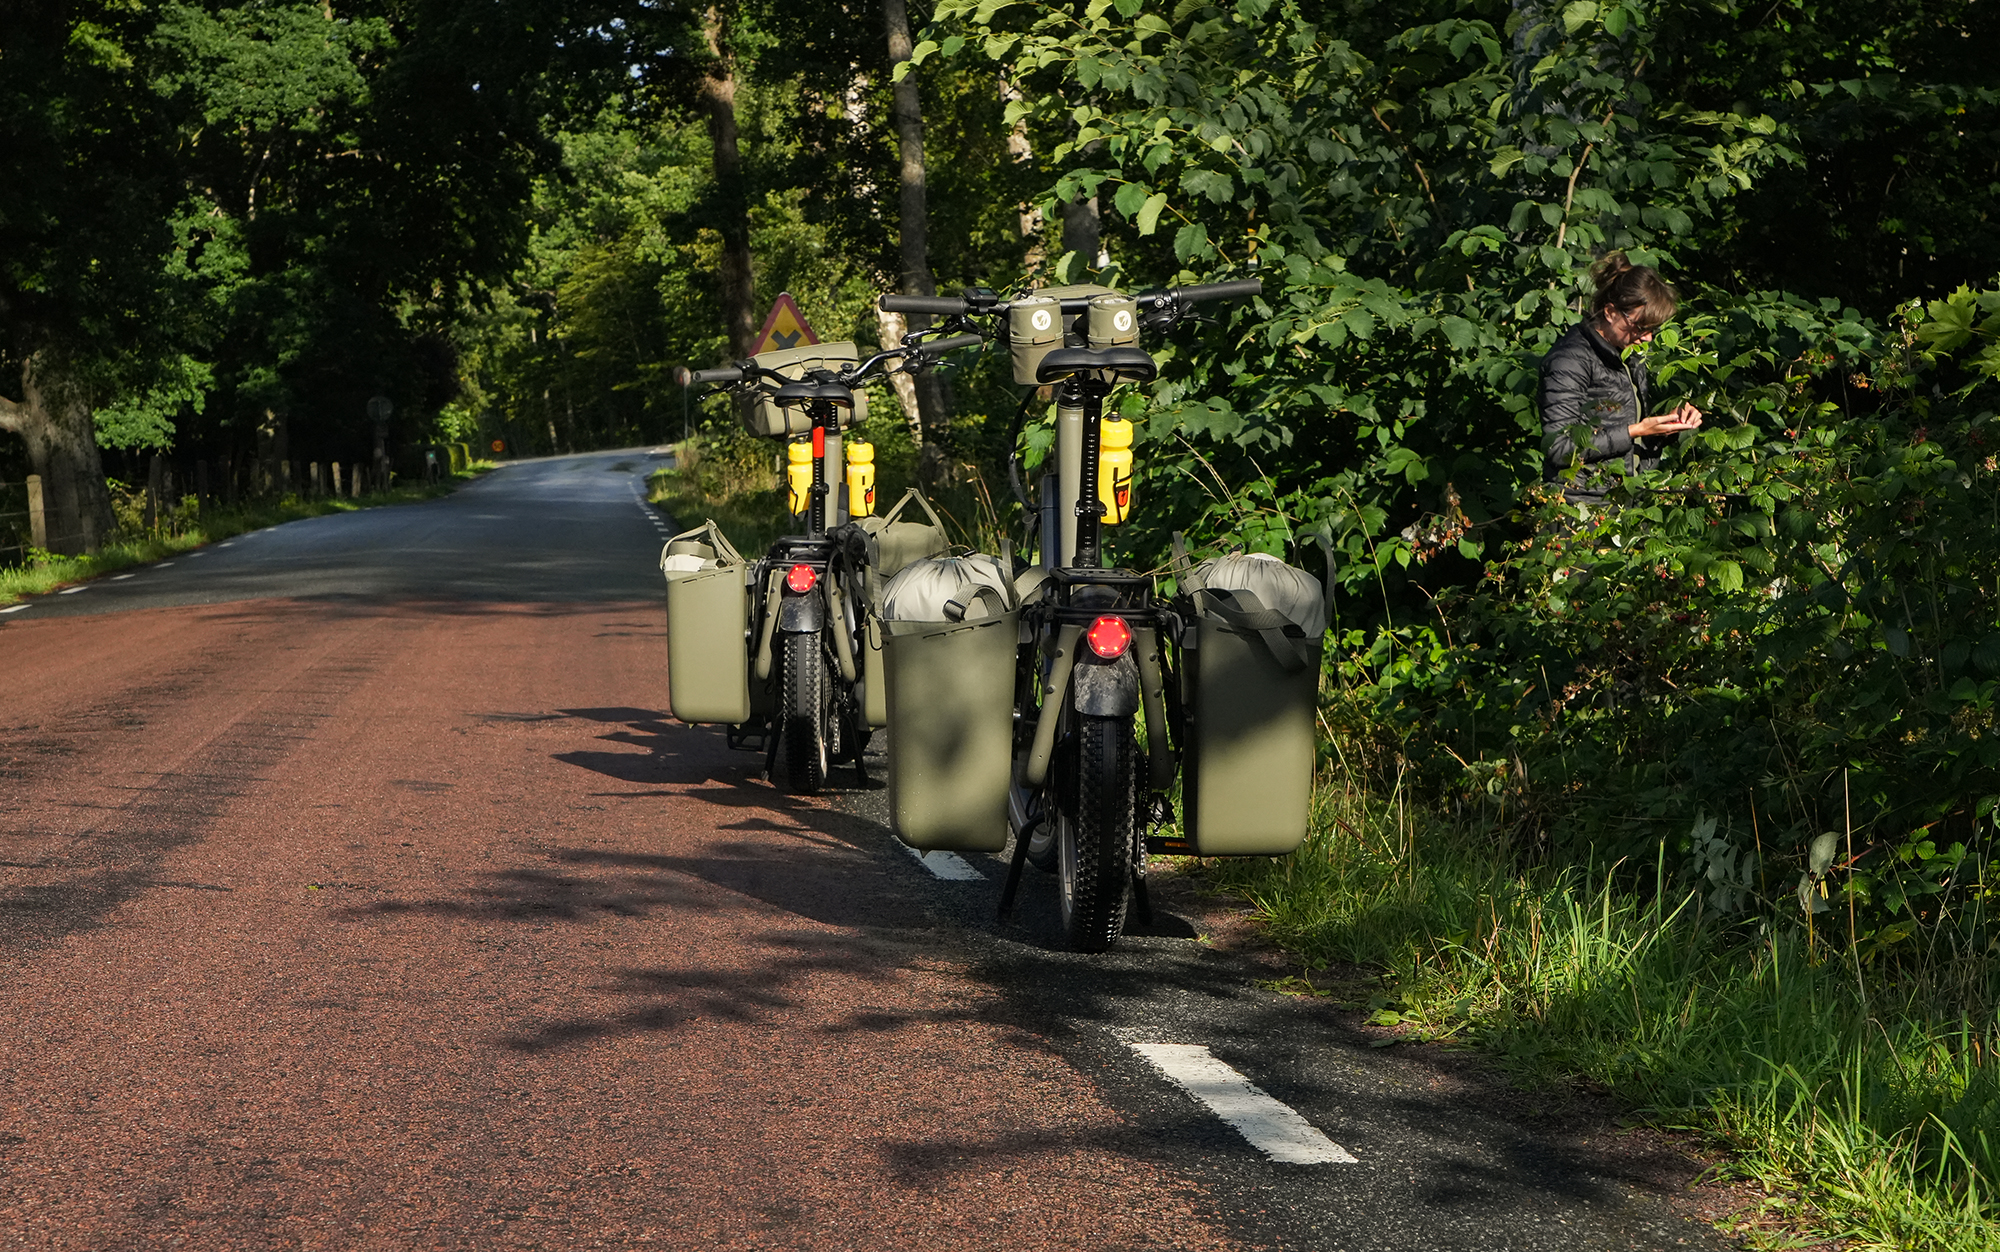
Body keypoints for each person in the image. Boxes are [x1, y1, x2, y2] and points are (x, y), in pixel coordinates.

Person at [1540, 252, 1703, 504]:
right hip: (1578, 510)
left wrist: (1669, 424)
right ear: (1610, 312)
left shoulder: (1626, 354)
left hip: (1624, 502)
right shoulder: (1569, 360)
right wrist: (1636, 430)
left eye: (1653, 329)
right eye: (1640, 327)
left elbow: (1622, 427)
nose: (1647, 337)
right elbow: (1559, 448)